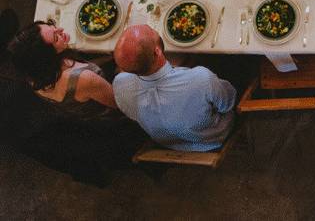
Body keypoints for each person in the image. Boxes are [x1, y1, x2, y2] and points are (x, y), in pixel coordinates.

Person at [112, 24, 236, 152]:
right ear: (157, 52)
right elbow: (228, 103)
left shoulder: (120, 84)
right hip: (212, 140)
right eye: (152, 31)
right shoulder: (201, 78)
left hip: (167, 144)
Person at [8, 21, 117, 119]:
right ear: (47, 57)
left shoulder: (34, 75)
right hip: (110, 109)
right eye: (56, 38)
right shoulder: (84, 79)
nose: (61, 29)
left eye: (51, 25)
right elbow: (118, 103)